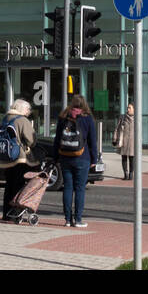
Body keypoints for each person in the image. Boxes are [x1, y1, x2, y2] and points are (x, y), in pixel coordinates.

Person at [52, 94, 101, 228]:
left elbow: (57, 140)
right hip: (82, 158)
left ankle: (68, 219)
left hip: (65, 157)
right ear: (84, 104)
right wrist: (94, 158)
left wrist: (55, 157)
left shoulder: (63, 117)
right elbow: (92, 141)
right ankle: (78, 219)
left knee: (67, 187)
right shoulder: (87, 119)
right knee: (80, 189)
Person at [0, 98, 40, 221]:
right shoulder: (22, 120)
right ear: (21, 109)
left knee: (9, 185)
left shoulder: (6, 118)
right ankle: (16, 213)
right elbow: (31, 141)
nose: (29, 111)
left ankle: (6, 214)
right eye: (28, 109)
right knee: (19, 186)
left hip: (6, 157)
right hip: (19, 158)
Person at [113, 102, 136, 180]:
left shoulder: (137, 119)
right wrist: (115, 139)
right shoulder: (123, 118)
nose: (128, 109)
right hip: (123, 141)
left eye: (130, 108)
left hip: (132, 142)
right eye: (127, 108)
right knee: (124, 158)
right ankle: (125, 174)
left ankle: (131, 174)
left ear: (134, 109)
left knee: (132, 159)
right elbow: (117, 129)